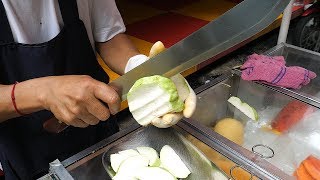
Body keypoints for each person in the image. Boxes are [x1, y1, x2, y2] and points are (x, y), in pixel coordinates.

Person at [0, 0, 196, 179]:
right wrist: (42, 92)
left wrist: (140, 68)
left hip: (98, 133)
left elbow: (109, 38)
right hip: (25, 150)